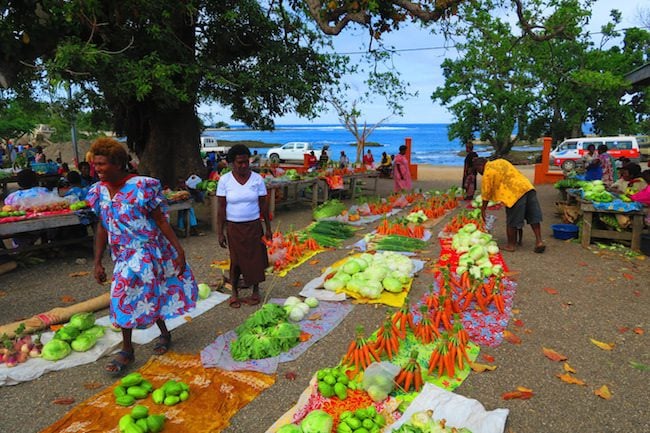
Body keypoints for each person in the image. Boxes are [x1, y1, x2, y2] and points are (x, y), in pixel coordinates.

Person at [87, 137, 198, 375]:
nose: (97, 169)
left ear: (118, 163)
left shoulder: (141, 187)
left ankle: (127, 350)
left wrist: (179, 249)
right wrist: (97, 261)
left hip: (147, 252)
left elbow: (160, 220)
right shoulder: (99, 192)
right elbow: (102, 226)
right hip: (122, 255)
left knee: (125, 295)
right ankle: (161, 334)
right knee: (142, 295)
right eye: (95, 165)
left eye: (102, 164)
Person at [216, 144, 272, 308]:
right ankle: (234, 292)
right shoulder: (225, 180)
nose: (243, 165)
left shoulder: (257, 179)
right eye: (239, 162)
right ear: (232, 163)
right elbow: (221, 209)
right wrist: (220, 232)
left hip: (254, 226)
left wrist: (268, 228)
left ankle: (255, 290)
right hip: (234, 228)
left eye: (246, 162)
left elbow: (264, 206)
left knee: (256, 259)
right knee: (236, 260)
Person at [473, 157, 545, 253]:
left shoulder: (487, 172)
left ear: (480, 166)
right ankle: (539, 241)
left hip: (513, 194)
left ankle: (511, 245)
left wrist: (483, 209)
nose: (479, 173)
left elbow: (486, 193)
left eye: (478, 170)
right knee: (533, 216)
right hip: (527, 187)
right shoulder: (501, 161)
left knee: (512, 220)